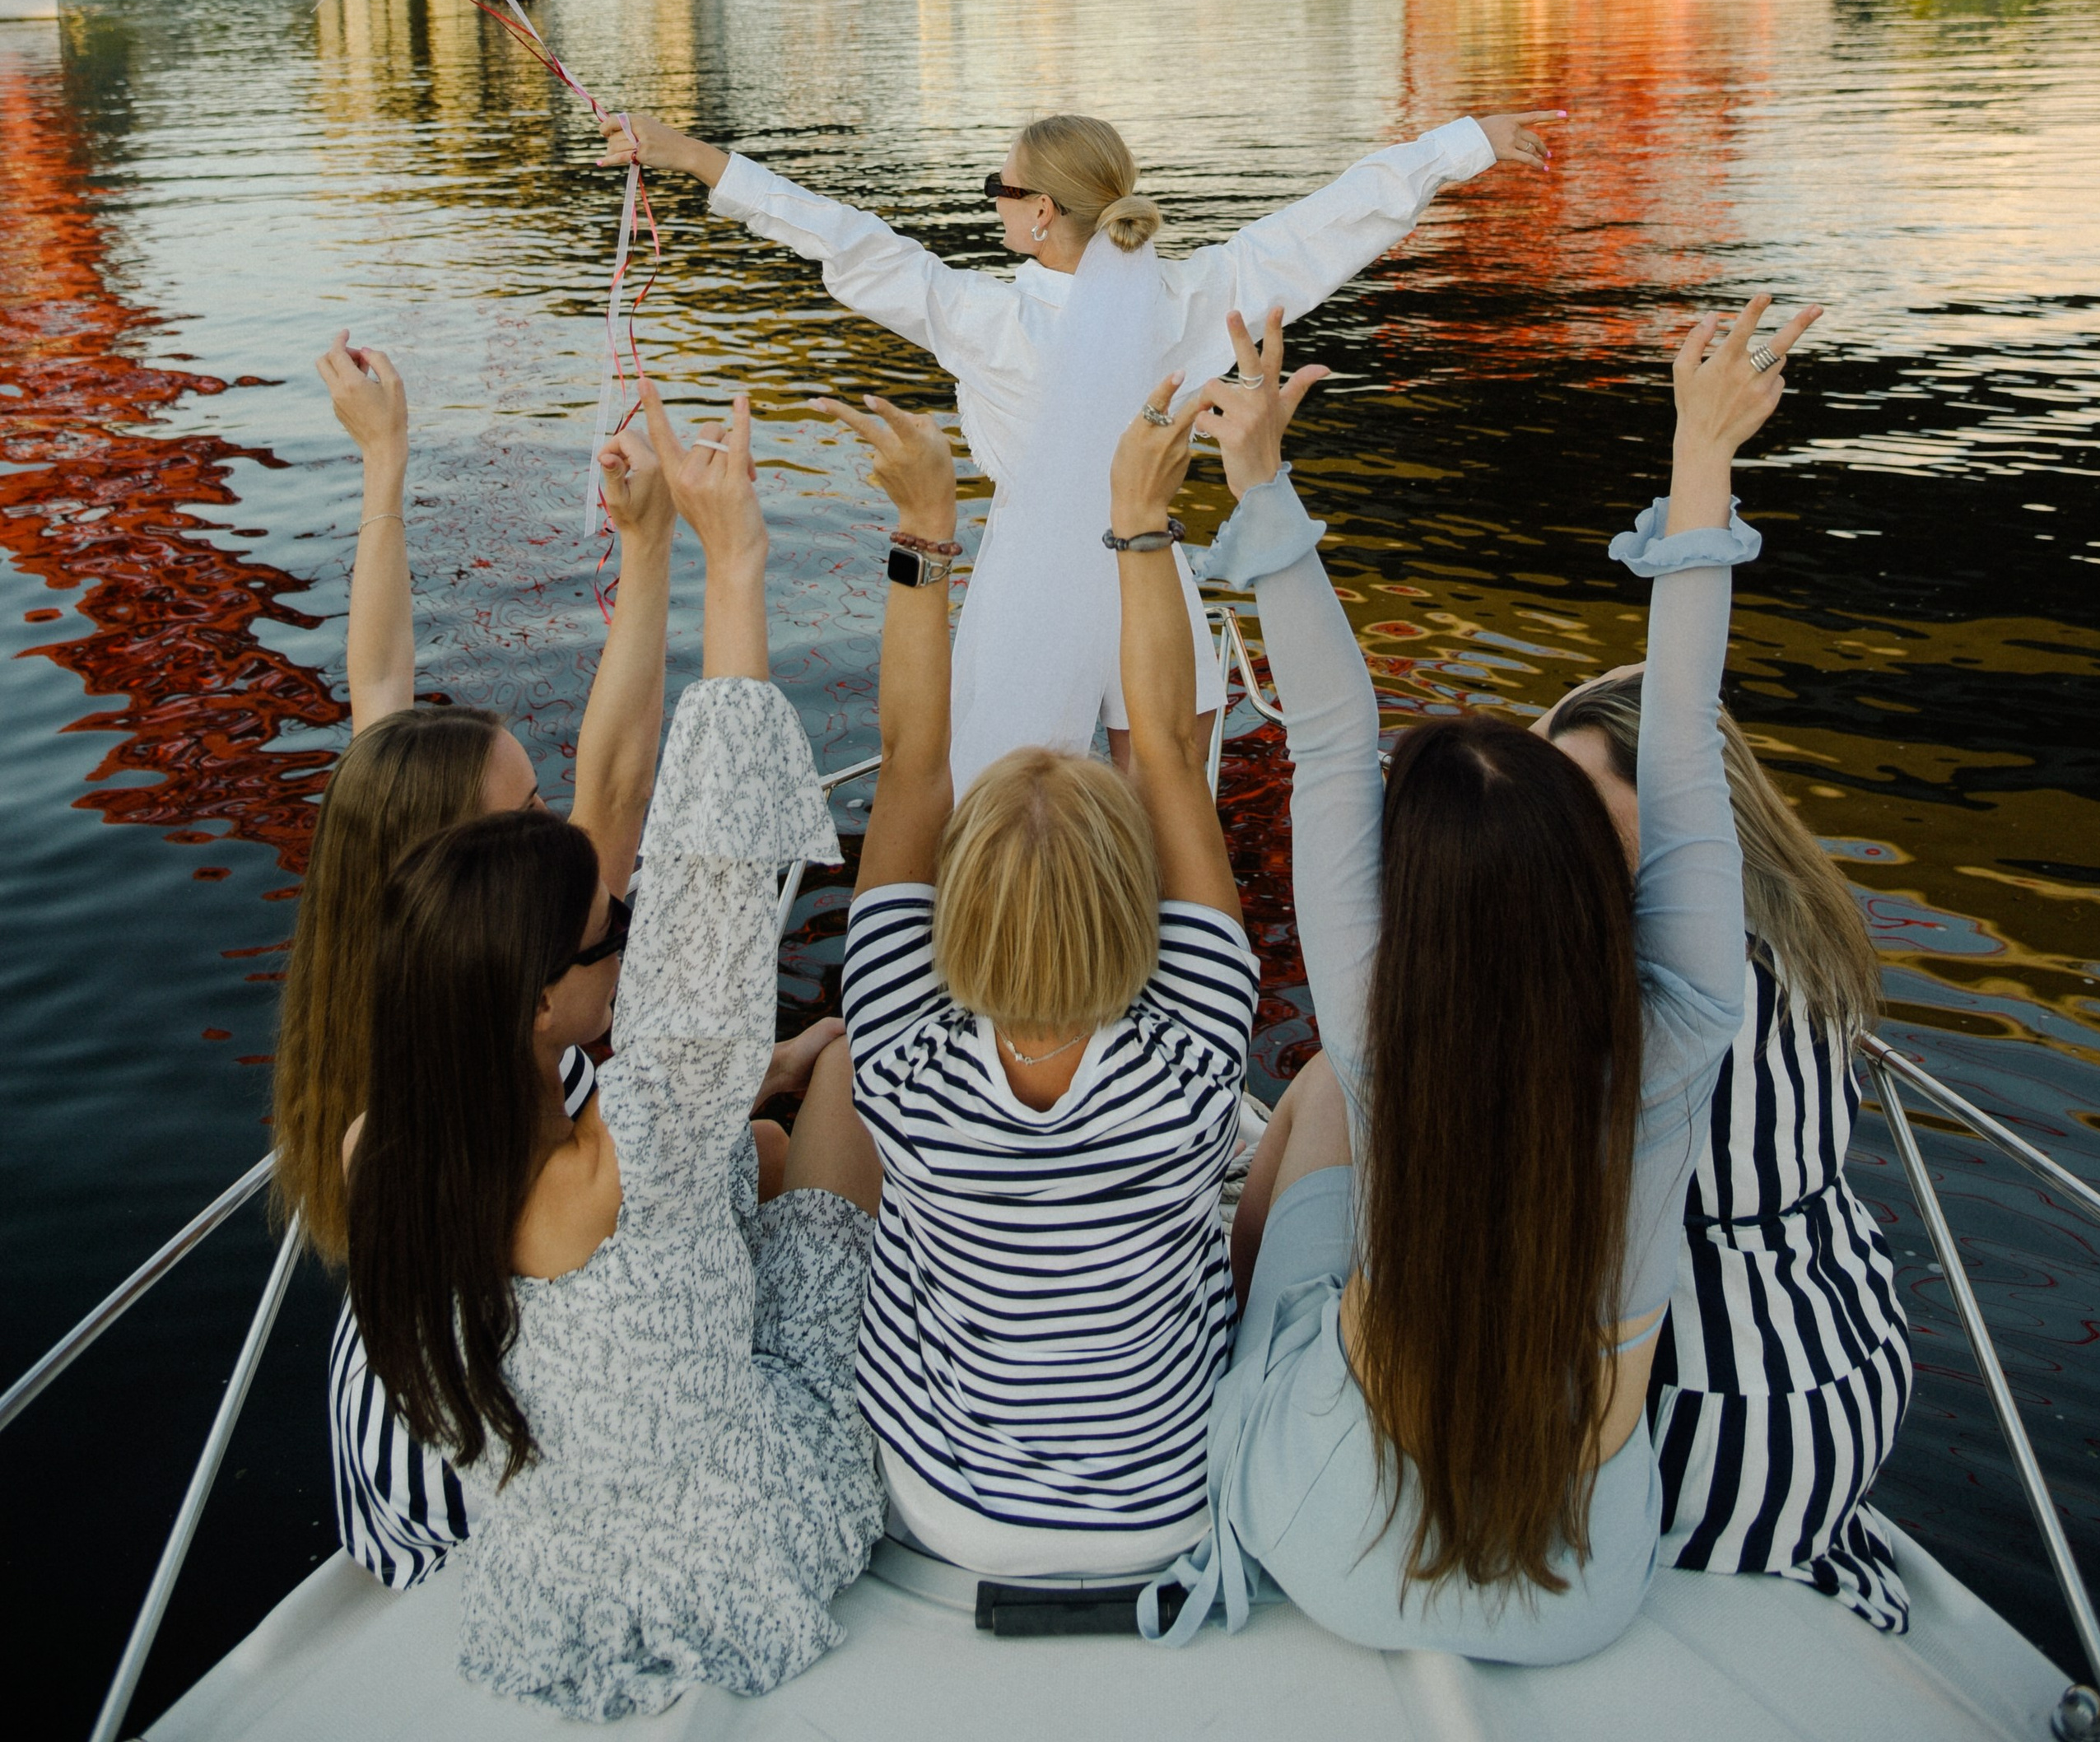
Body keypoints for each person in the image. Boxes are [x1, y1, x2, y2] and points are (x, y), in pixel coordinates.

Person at [1158, 290, 1818, 1657]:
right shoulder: (1683, 1025)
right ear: (1591, 882)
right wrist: (1702, 459)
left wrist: (1261, 474)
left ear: (1419, 910)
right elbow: (1683, 748)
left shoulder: (1375, 1019)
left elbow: (1334, 736)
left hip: (1336, 1538)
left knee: (1324, 1109)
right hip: (1581, 1584)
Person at [347, 381, 887, 1712]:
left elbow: (668, 875)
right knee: (845, 1091)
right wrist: (734, 557)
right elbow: (713, 871)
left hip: (565, 1577)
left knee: (757, 1130)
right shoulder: (636, 1130)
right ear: (535, 1004)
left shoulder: (384, 1151)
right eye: (609, 939)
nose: (634, 940)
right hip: (747, 1546)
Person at [600, 104, 1555, 779]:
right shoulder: (1186, 300)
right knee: (1169, 794)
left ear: (1042, 213)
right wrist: (1460, 143)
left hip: (1030, 585)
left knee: (1014, 807)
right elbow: (1323, 229)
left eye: (1000, 188)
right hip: (1150, 577)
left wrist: (684, 154)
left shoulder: (984, 320)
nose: (995, 203)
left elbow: (845, 240)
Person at [816, 373, 1260, 1580]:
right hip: (1166, 1503)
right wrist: (1140, 523)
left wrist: (925, 533)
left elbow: (911, 762)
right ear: (1135, 908)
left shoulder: (900, 1050)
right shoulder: (1199, 1048)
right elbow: (1166, 739)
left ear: (957, 912)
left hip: (949, 1505)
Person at [1538, 667, 1912, 1630]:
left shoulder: (1653, 985)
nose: (1555, 832)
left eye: (1579, 803)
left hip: (1714, 1418)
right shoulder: (1795, 929)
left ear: (1679, 808)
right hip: (1848, 1359)